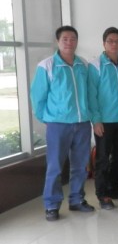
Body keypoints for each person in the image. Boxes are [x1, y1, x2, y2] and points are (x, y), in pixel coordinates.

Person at [31, 25, 94, 221]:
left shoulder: (83, 64)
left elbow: (89, 93)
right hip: (57, 125)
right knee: (55, 167)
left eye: (73, 39)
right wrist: (48, 119)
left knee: (80, 165)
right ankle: (51, 205)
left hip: (82, 123)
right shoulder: (47, 66)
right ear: (57, 41)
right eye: (65, 39)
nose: (69, 42)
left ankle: (77, 200)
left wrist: (90, 117)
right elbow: (38, 97)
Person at [88, 27, 118, 210]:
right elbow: (91, 95)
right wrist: (96, 120)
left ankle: (115, 187)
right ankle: (102, 194)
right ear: (104, 43)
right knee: (103, 158)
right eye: (110, 41)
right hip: (104, 121)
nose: (114, 44)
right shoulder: (95, 66)